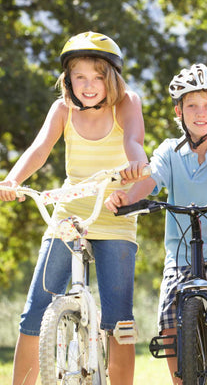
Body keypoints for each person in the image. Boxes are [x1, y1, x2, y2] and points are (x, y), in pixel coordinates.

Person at [105, 63, 207, 385]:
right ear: (178, 111)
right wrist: (127, 197)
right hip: (182, 250)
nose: (200, 112)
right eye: (191, 105)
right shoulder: (169, 150)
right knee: (168, 321)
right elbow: (150, 180)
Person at [0, 31, 148, 385]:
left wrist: (137, 167)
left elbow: (134, 141)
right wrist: (11, 181)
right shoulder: (62, 109)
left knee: (119, 321)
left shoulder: (127, 102)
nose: (88, 84)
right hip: (69, 215)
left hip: (113, 214)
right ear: (68, 79)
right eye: (79, 76)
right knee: (35, 311)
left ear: (111, 77)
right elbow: (38, 150)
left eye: (97, 76)